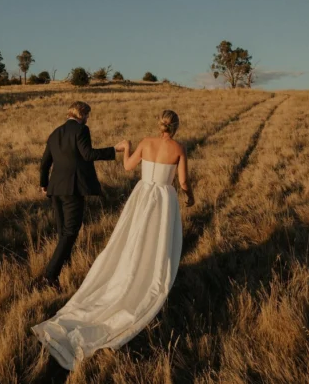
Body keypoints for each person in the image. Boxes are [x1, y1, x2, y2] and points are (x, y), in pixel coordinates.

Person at [32, 109, 194, 370]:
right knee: (158, 240)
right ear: (175, 126)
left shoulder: (145, 142)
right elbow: (184, 181)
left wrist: (127, 149)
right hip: (164, 199)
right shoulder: (179, 148)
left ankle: (129, 271)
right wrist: (189, 197)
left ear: (158, 124)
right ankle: (148, 276)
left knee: (132, 239)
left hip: (142, 196)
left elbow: (129, 166)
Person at [38, 101, 128, 287]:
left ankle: (65, 264)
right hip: (73, 188)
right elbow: (88, 154)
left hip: (55, 189)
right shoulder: (81, 130)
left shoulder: (55, 133)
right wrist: (114, 150)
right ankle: (49, 276)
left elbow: (45, 162)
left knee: (63, 231)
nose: (88, 119)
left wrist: (44, 184)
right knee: (71, 230)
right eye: (87, 115)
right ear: (81, 114)